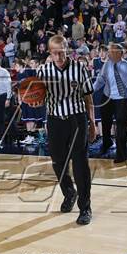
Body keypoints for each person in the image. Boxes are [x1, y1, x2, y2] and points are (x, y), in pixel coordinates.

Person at [36, 35, 96, 225]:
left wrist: (93, 123)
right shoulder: (43, 71)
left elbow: (88, 99)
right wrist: (35, 101)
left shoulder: (79, 69)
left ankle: (85, 207)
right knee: (58, 162)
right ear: (50, 53)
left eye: (62, 52)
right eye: (55, 53)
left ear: (67, 50)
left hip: (77, 120)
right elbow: (38, 98)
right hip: (55, 121)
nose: (60, 56)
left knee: (80, 165)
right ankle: (69, 193)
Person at [94, 43, 127, 163]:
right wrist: (90, 90)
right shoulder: (107, 65)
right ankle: (106, 143)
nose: (109, 54)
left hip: (123, 99)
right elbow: (100, 80)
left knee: (121, 125)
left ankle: (121, 154)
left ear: (120, 54)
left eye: (112, 52)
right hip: (107, 97)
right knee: (105, 124)